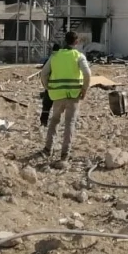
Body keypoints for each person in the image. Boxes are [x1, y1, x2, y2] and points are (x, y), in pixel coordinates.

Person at [40, 31, 91, 161]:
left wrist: (48, 87)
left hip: (57, 94)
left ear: (65, 40)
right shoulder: (79, 56)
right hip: (73, 95)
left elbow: (43, 74)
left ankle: (47, 149)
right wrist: (84, 89)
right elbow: (87, 74)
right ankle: (65, 154)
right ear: (77, 42)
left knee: (55, 121)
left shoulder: (55, 56)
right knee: (70, 123)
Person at [38, 44, 58, 127]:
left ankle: (43, 122)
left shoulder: (50, 59)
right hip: (61, 87)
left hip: (50, 86)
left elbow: (44, 73)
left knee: (46, 105)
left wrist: (46, 86)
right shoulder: (62, 60)